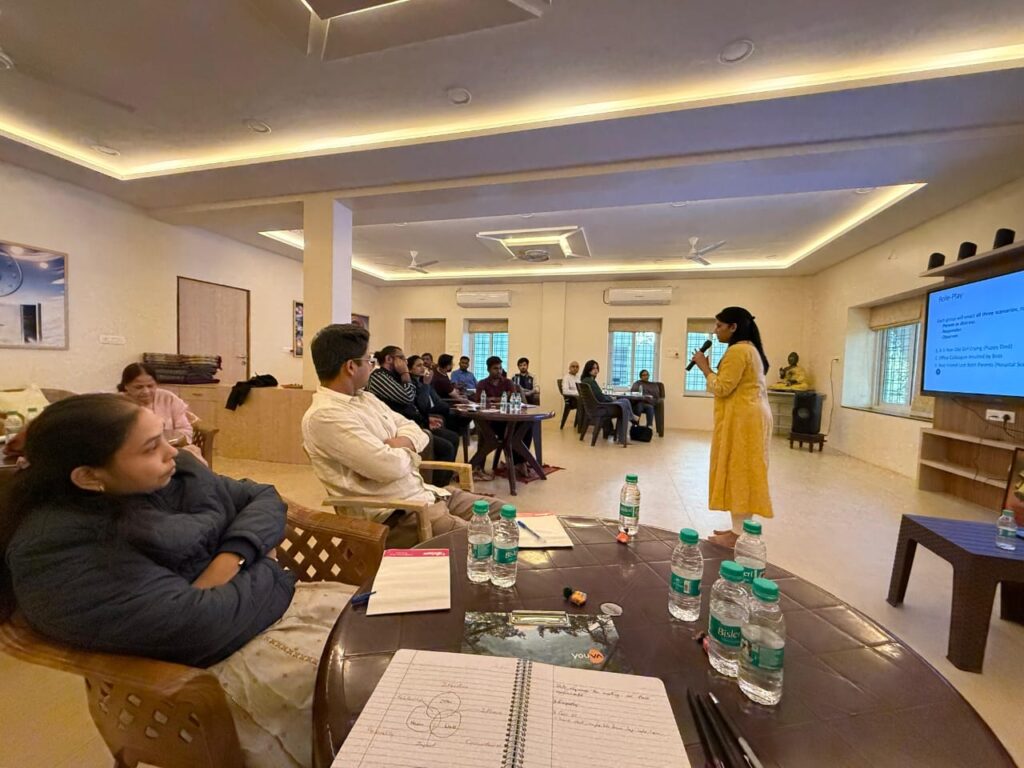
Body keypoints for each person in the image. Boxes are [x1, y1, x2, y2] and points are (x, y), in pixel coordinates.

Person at [3, 394, 344, 768]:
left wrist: (232, 557)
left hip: (255, 608)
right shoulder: (56, 550)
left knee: (378, 633)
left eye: (165, 436)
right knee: (353, 690)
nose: (174, 451)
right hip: (201, 676)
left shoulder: (175, 473)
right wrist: (268, 562)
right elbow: (201, 626)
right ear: (89, 476)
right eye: (151, 447)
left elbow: (262, 497)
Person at [301, 324, 505, 547]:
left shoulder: (365, 398)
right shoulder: (326, 416)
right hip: (399, 515)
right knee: (488, 541)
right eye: (369, 360)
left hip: (428, 494)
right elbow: (390, 467)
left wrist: (400, 443)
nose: (371, 366)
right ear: (351, 367)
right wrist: (407, 448)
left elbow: (414, 428)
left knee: (506, 515)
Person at [689, 306, 774, 547]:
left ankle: (738, 535)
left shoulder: (738, 351)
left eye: (719, 325)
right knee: (742, 471)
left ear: (733, 327)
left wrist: (704, 368)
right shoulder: (749, 349)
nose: (715, 330)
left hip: (744, 420)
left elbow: (722, 387)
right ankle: (738, 528)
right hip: (747, 417)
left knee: (741, 473)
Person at [366, 345, 456, 485]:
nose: (405, 362)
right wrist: (405, 373)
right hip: (397, 430)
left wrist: (426, 418)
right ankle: (436, 487)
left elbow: (416, 404)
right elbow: (407, 397)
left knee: (453, 437)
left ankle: (444, 482)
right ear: (389, 359)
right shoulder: (379, 376)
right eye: (402, 358)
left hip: (412, 422)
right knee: (446, 447)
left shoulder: (395, 376)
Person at [474, 356, 532, 474]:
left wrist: (493, 399)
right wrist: (501, 398)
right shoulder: (482, 383)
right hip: (490, 422)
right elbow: (479, 400)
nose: (499, 371)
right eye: (495, 368)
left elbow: (512, 398)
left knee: (526, 426)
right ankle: (478, 467)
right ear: (488, 369)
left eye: (500, 368)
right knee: (486, 432)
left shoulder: (508, 382)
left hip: (507, 420)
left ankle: (520, 462)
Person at [118, 362, 194, 440]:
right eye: (139, 387)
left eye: (150, 386)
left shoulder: (168, 398)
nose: (146, 391)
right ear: (126, 386)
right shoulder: (118, 404)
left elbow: (186, 430)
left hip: (171, 445)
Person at [578, 360, 639, 444]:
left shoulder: (585, 380)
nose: (596, 370)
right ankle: (626, 431)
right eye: (593, 368)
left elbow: (598, 395)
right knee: (624, 405)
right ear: (588, 369)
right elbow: (600, 397)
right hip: (601, 407)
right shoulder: (590, 381)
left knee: (625, 401)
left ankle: (631, 418)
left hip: (595, 407)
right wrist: (612, 399)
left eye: (597, 368)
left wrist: (612, 399)